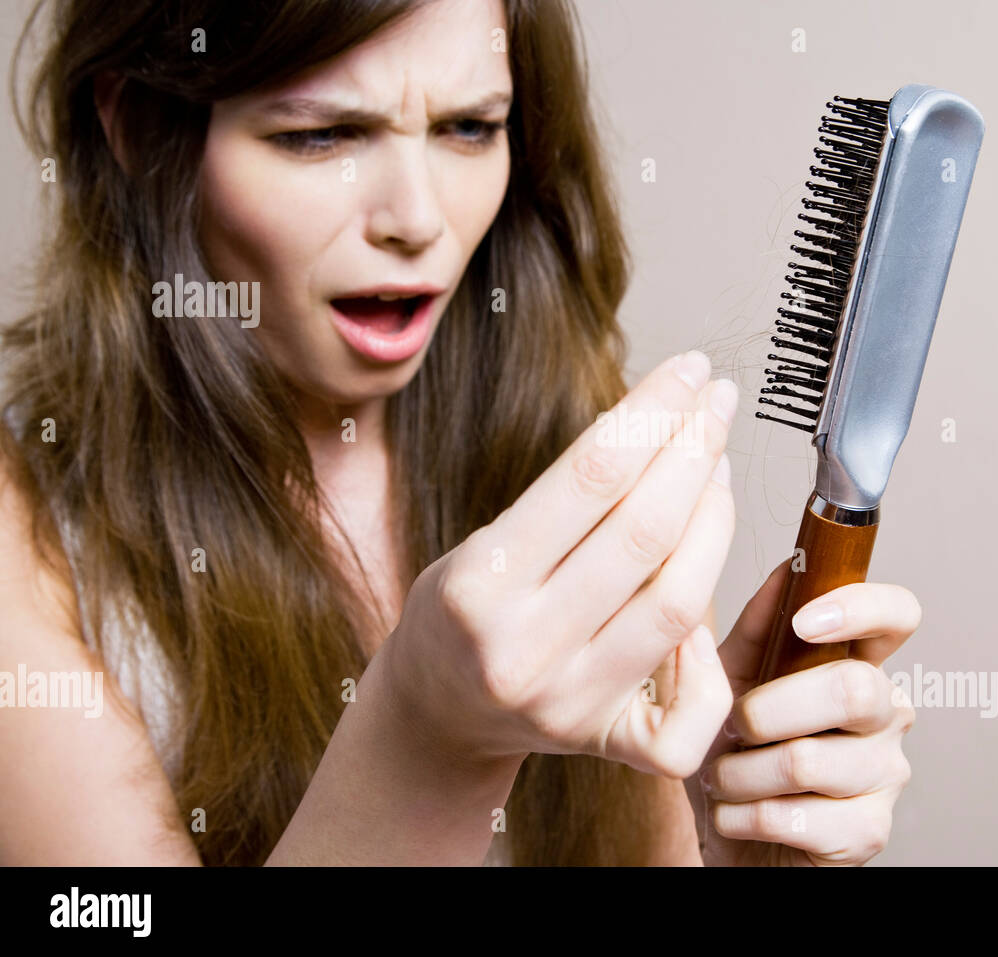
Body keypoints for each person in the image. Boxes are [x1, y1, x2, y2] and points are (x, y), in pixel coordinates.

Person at [0, 0, 919, 866]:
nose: (418, 219)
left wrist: (736, 842)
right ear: (136, 127)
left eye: (470, 128)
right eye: (319, 134)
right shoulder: (25, 535)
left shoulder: (577, 455)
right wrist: (422, 735)